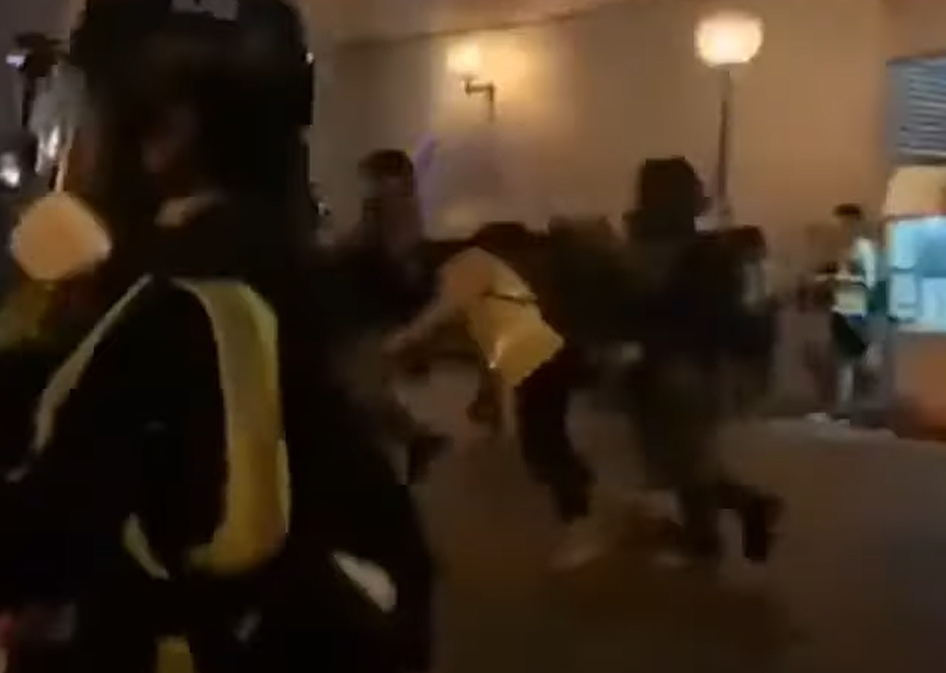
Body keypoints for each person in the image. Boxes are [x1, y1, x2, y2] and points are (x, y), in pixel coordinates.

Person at [0, 2, 434, 672]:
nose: (72, 145)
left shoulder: (184, 294)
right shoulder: (255, 258)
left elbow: (46, 531)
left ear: (169, 130)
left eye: (83, 111)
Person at [385, 222, 609, 570]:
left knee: (544, 444)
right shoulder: (486, 269)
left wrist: (397, 342)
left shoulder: (467, 268)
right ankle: (593, 505)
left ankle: (584, 519)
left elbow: (438, 313)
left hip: (542, 359)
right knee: (546, 441)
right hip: (544, 357)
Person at [623, 157, 781, 564]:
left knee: (683, 463)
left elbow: (642, 304)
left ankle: (736, 516)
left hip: (671, 363)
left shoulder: (655, 250)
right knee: (687, 460)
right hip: (693, 364)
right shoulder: (706, 251)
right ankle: (712, 532)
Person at [329, 149, 449, 484]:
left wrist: (337, 250)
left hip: (371, 310)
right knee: (359, 384)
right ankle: (416, 440)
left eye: (373, 177)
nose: (368, 185)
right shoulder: (397, 209)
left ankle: (411, 443)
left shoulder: (393, 208)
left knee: (358, 387)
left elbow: (386, 255)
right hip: (369, 309)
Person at [824, 202, 880, 420]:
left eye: (844, 224)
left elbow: (870, 282)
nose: (840, 229)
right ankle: (844, 406)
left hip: (855, 308)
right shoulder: (846, 250)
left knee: (856, 357)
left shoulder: (863, 249)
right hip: (843, 305)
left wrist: (843, 280)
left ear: (855, 222)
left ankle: (857, 405)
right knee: (843, 359)